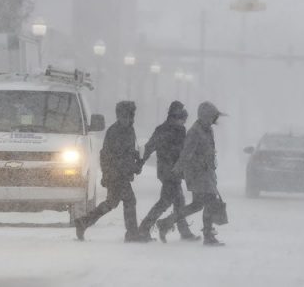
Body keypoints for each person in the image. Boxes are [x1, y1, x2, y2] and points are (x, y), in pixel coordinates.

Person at [155, 101, 226, 246]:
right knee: (210, 201)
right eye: (212, 117)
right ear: (205, 116)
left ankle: (166, 223)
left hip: (206, 172)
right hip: (197, 173)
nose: (214, 120)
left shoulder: (207, 130)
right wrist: (178, 168)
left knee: (197, 205)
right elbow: (186, 153)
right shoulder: (195, 131)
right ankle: (208, 235)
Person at [74, 101, 147, 242]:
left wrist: (137, 158)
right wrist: (109, 174)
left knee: (112, 203)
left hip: (121, 173)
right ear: (119, 116)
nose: (127, 120)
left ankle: (83, 222)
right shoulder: (114, 131)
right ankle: (132, 233)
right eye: (123, 117)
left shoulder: (129, 130)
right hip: (116, 174)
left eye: (129, 117)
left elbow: (129, 152)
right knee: (128, 201)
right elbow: (108, 155)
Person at [136, 101, 200, 242]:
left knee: (178, 201)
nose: (183, 122)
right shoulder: (163, 130)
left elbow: (184, 151)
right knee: (165, 202)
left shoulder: (179, 130)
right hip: (167, 172)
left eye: (184, 120)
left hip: (175, 171)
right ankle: (145, 228)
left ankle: (183, 231)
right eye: (181, 119)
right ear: (173, 116)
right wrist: (140, 162)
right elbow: (149, 147)